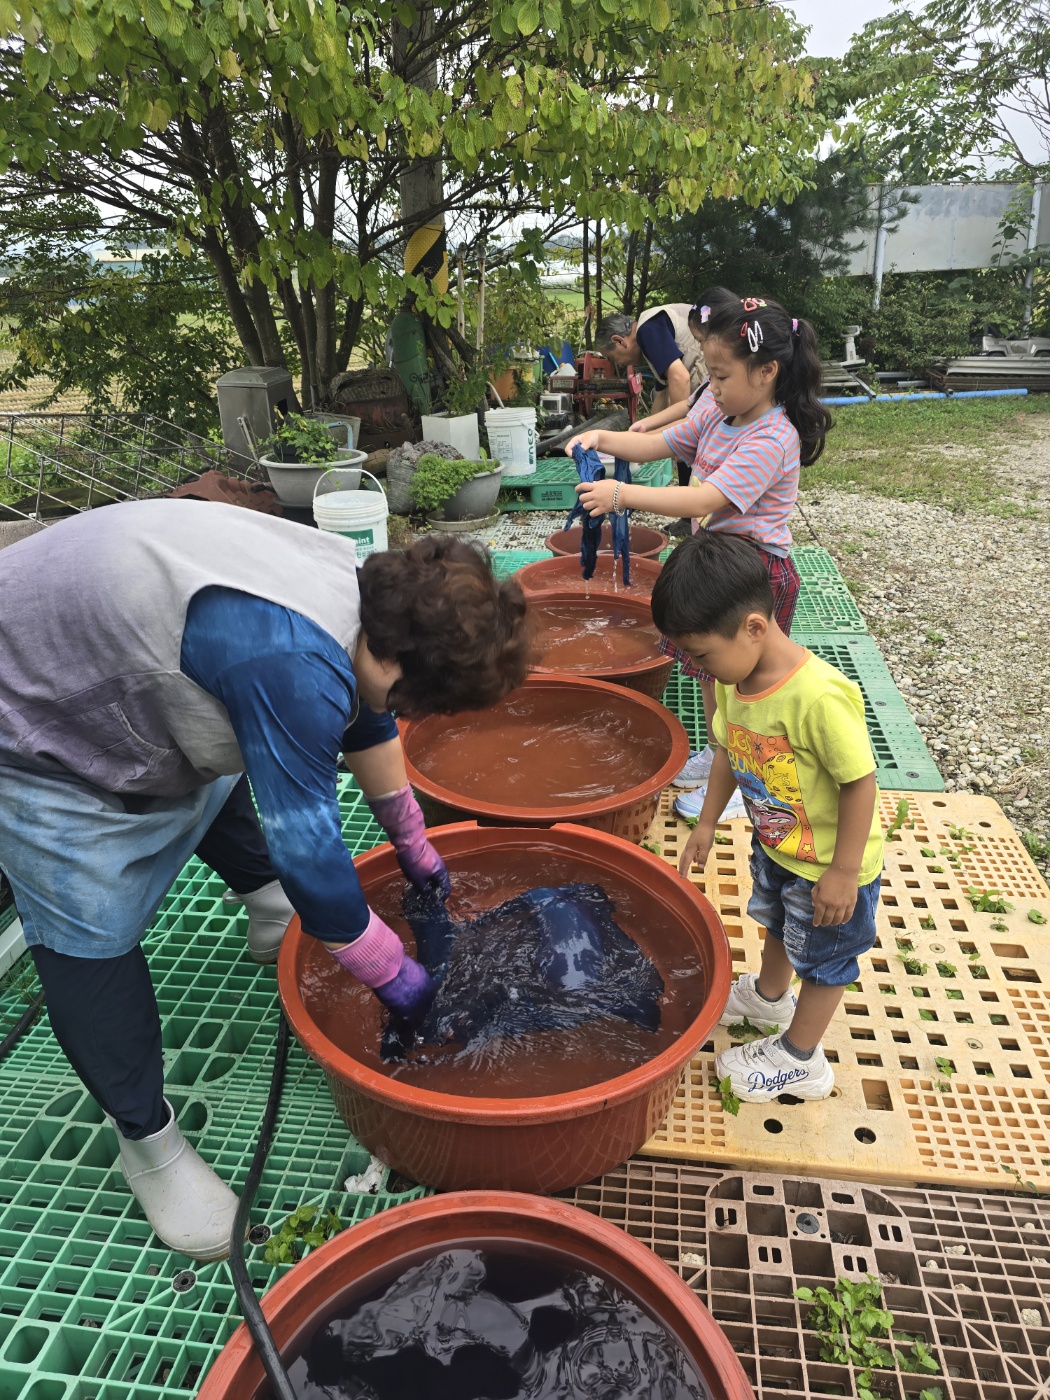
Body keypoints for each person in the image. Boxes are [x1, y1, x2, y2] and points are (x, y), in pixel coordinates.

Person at [0, 502, 529, 1260]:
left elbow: (365, 715)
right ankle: (150, 1145)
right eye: (421, 702)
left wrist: (417, 846)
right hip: (32, 704)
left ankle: (262, 912)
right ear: (393, 659)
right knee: (89, 930)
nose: (411, 714)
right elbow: (317, 871)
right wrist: (406, 985)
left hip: (130, 643)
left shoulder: (368, 598)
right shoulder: (286, 664)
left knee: (217, 766)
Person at [566, 295, 833, 822]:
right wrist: (603, 436)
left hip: (753, 576)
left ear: (766, 373)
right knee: (715, 674)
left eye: (720, 374)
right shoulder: (719, 407)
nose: (709, 385)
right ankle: (719, 755)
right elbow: (666, 440)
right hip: (717, 564)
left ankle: (747, 780)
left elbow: (703, 499)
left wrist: (622, 496)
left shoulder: (773, 436)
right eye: (708, 373)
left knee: (751, 686)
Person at [652, 532, 883, 1103]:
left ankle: (802, 1060)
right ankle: (770, 994)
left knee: (826, 960)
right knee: (778, 923)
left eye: (701, 655)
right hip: (778, 845)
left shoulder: (818, 698)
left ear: (754, 627)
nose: (696, 667)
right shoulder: (734, 682)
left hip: (828, 863)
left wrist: (844, 872)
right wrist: (706, 823)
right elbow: (729, 753)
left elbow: (860, 782)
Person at [627, 288, 740, 440]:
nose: (700, 348)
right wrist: (647, 429)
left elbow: (680, 379)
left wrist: (657, 435)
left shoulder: (648, 330)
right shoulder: (711, 381)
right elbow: (688, 405)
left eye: (700, 340)